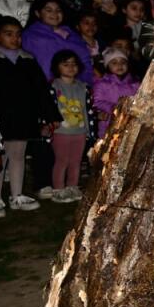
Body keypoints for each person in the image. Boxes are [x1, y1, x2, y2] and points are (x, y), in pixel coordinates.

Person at [0, 18, 60, 214]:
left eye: (18, 34)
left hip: (22, 116)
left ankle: (17, 195)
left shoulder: (28, 59)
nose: (15, 38)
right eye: (8, 34)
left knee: (18, 154)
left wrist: (50, 115)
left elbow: (41, 90)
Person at [48, 50, 95, 203]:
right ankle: (58, 189)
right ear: (57, 67)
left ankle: (72, 186)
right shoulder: (53, 86)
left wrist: (88, 129)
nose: (71, 67)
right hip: (61, 130)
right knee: (62, 160)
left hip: (79, 131)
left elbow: (87, 110)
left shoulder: (83, 87)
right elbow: (47, 108)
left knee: (76, 160)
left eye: (74, 64)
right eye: (66, 64)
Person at [22, 0, 94, 84]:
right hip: (54, 88)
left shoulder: (71, 33)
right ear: (38, 13)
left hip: (80, 87)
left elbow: (85, 60)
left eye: (58, 10)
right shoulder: (32, 36)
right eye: (49, 10)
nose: (55, 14)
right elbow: (45, 66)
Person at [92, 48, 140, 139]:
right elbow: (96, 102)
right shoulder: (102, 84)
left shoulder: (135, 85)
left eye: (123, 62)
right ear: (107, 66)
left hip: (128, 125)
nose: (120, 65)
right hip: (108, 125)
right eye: (114, 63)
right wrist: (114, 107)